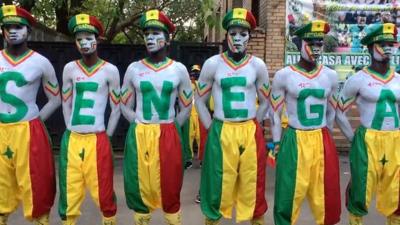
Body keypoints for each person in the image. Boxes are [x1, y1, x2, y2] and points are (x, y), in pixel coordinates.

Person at [195, 8, 270, 225]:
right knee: (217, 185)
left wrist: (255, 123)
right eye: (233, 33)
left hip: (248, 130)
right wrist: (210, 127)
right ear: (226, 35)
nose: (237, 38)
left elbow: (265, 101)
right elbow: (199, 100)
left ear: (250, 36)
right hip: (222, 129)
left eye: (243, 33)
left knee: (253, 184)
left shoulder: (258, 65)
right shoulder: (212, 64)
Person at [121, 9, 192, 225]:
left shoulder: (179, 70)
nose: (150, 38)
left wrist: (171, 127)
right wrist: (138, 122)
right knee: (139, 184)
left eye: (155, 33)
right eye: (147, 34)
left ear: (167, 39)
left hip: (168, 131)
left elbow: (187, 107)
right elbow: (125, 104)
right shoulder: (134, 69)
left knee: (170, 185)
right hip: (141, 132)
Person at [271, 20, 341, 225]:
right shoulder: (284, 75)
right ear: (299, 43)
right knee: (288, 194)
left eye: (320, 43)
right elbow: (274, 113)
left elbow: (332, 111)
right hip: (295, 137)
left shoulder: (331, 75)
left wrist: (327, 136)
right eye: (311, 43)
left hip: (320, 137)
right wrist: (276, 143)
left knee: (325, 194)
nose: (316, 48)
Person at [0, 5, 60, 225]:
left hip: (27, 130)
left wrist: (37, 120)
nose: (12, 31)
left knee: (35, 184)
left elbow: (55, 98)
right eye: (7, 27)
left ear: (28, 30)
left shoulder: (40, 62)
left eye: (18, 26)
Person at [336, 23, 400, 225]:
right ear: (371, 46)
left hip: (395, 139)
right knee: (361, 189)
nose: (388, 47)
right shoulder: (358, 79)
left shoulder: (398, 78)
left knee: (397, 191)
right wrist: (354, 139)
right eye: (383, 43)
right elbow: (339, 112)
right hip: (368, 139)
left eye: (391, 43)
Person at [59, 13, 120, 225]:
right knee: (69, 191)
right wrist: (69, 127)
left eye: (89, 37)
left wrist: (107, 135)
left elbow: (116, 108)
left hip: (97, 137)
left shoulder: (110, 70)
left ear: (98, 39)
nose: (84, 43)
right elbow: (65, 102)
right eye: (79, 39)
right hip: (73, 138)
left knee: (103, 192)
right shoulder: (69, 68)